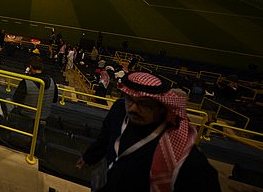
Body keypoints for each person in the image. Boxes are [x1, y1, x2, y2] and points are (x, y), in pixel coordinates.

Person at [76, 72, 220, 192]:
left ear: (162, 107)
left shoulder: (184, 157)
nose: (132, 109)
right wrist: (89, 157)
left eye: (144, 104)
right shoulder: (119, 110)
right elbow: (105, 138)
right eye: (130, 99)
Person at [11, 55, 58, 120]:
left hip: (26, 116)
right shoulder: (52, 81)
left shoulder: (26, 82)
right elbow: (54, 100)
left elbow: (16, 99)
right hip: (45, 116)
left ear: (30, 67)